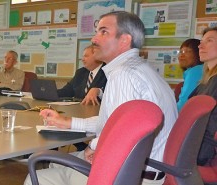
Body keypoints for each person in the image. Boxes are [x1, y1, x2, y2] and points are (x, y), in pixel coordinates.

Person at [24, 11, 177, 185]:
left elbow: (119, 133)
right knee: (55, 163)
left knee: (37, 177)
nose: (94, 39)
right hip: (143, 167)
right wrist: (68, 122)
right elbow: (113, 122)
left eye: (103, 32)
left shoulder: (123, 75)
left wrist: (93, 146)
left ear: (125, 40)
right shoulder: (139, 69)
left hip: (131, 175)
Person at [189, 27, 217, 166]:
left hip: (203, 155)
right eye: (201, 41)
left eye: (209, 41)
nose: (200, 45)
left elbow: (211, 125)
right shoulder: (205, 82)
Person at [176, 39, 203, 111]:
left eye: (187, 51)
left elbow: (183, 103)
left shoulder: (195, 71)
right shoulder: (200, 69)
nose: (181, 55)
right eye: (181, 52)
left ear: (197, 54)